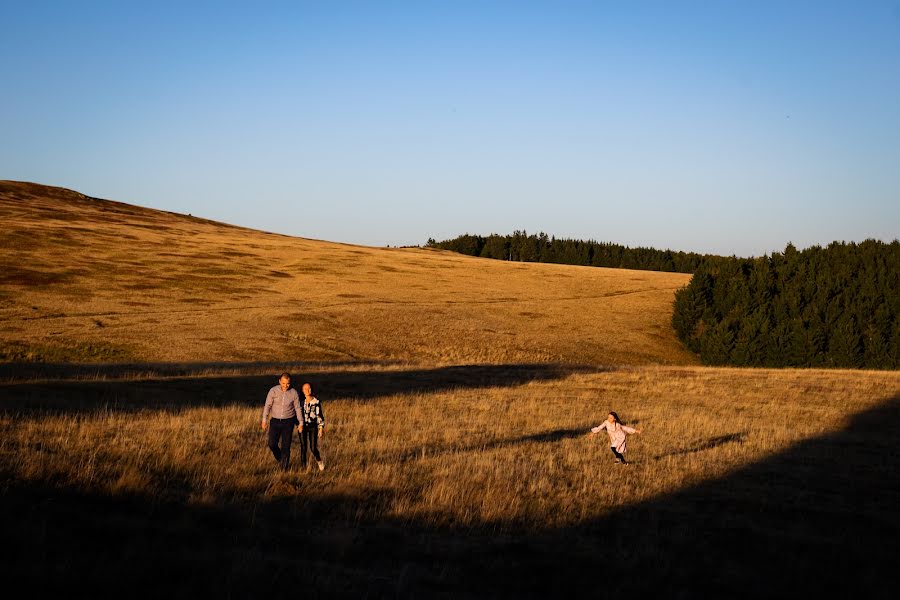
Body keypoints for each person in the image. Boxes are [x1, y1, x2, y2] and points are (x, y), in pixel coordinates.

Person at [261, 372, 302, 471]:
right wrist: (264, 420)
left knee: (286, 446)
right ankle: (281, 459)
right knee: (272, 444)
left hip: (288, 422)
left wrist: (301, 422)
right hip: (275, 421)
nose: (285, 386)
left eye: (288, 383)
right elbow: (268, 406)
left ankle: (284, 468)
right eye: (283, 383)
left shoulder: (294, 392)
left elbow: (297, 408)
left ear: (290, 382)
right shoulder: (273, 391)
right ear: (280, 381)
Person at [299, 382, 326, 471]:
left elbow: (320, 416)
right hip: (302, 426)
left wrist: (320, 429)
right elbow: (296, 414)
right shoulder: (300, 403)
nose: (307, 390)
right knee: (303, 447)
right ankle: (304, 466)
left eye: (309, 388)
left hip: (312, 427)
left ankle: (319, 460)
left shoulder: (316, 402)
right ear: (302, 391)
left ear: (312, 389)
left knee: (313, 447)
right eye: (305, 389)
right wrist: (298, 424)